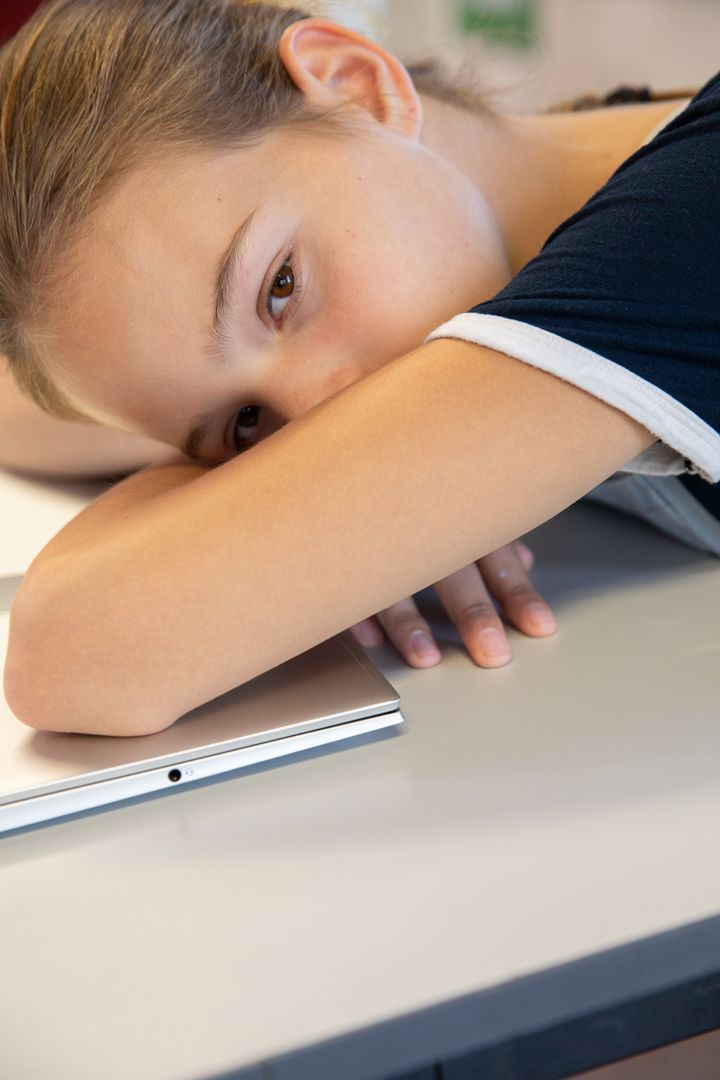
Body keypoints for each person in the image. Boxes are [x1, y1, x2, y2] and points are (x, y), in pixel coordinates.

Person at [0, 0, 717, 737]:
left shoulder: (691, 216)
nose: (319, 416)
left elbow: (77, 653)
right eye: (248, 424)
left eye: (280, 288)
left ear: (356, 86)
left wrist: (315, 510)